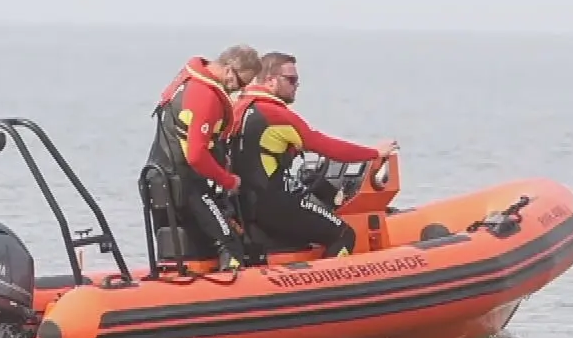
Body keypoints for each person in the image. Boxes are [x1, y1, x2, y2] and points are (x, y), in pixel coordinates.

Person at [225, 52, 393, 258]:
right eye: (291, 80)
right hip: (274, 206)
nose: (296, 86)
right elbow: (327, 146)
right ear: (270, 81)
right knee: (343, 233)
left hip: (244, 205)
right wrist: (374, 152)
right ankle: (332, 284)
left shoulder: (239, 109)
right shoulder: (276, 115)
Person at [146, 45, 262, 268]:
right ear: (229, 70)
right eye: (241, 83)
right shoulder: (206, 96)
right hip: (185, 184)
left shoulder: (187, 82)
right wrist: (228, 180)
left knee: (187, 246)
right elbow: (196, 156)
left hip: (159, 180)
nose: (239, 90)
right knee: (230, 243)